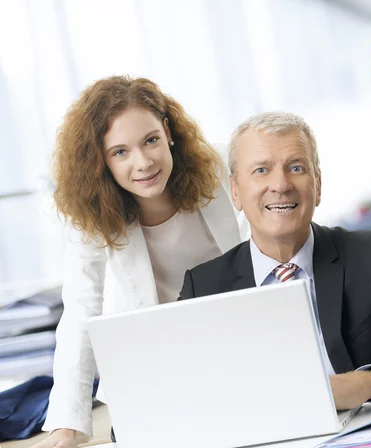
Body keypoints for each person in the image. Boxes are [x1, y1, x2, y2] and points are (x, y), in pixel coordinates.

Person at [178, 111, 371, 410]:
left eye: (296, 167)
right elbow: (182, 398)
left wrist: (367, 383)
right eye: (261, 171)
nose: (280, 184)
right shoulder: (202, 288)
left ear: (317, 185)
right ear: (236, 192)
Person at [35, 76, 245, 447]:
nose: (143, 162)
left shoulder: (219, 166)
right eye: (120, 152)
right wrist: (68, 425)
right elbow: (81, 311)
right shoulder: (93, 213)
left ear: (168, 131)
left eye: (150, 141)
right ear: (100, 159)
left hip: (235, 349)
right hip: (154, 371)